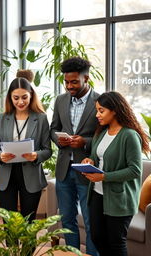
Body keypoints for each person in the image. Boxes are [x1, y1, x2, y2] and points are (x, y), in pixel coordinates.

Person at [81, 91, 150, 256]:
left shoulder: (129, 136)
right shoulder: (101, 132)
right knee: (97, 237)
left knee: (116, 243)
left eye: (101, 110)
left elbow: (134, 171)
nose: (97, 115)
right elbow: (95, 157)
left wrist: (104, 176)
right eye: (97, 110)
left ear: (115, 110)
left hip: (120, 199)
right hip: (97, 194)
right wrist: (89, 161)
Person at [50, 57, 99, 255]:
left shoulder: (100, 101)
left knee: (90, 221)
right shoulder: (60, 100)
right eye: (66, 82)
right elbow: (54, 128)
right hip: (63, 169)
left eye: (74, 82)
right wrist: (58, 139)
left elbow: (106, 136)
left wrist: (84, 142)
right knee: (67, 219)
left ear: (86, 78)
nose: (69, 86)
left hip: (87, 171)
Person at [0, 77, 52, 223]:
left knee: (28, 222)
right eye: (16, 98)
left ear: (31, 95)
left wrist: (36, 155)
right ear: (10, 98)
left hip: (31, 175)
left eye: (24, 97)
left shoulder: (41, 118)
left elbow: (47, 150)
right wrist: (0, 156)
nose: (20, 102)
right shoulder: (2, 118)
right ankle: (11, 247)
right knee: (9, 223)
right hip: (6, 175)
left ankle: (27, 248)